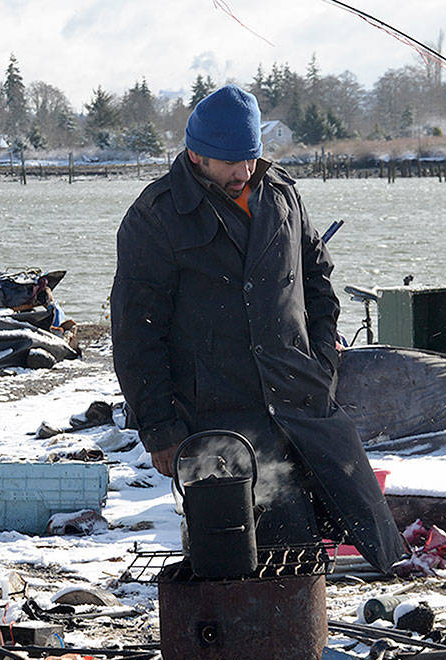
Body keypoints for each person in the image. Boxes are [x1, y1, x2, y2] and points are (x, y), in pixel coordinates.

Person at [110, 84, 407, 571]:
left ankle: (303, 633)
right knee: (236, 557)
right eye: (230, 162)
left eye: (251, 159)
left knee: (338, 536)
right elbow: (136, 333)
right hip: (216, 413)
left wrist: (324, 358)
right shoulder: (155, 218)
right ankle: (245, 642)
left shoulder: (282, 194)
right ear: (196, 155)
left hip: (300, 400)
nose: (243, 172)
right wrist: (159, 428)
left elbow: (317, 278)